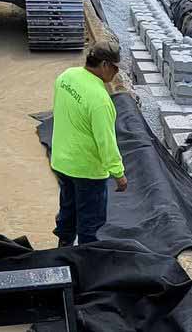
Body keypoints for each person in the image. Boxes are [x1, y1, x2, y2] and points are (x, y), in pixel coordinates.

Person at [51, 39, 127, 247]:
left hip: (62, 162)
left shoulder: (66, 77)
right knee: (90, 223)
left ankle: (63, 250)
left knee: (68, 209)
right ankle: (87, 261)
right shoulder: (100, 100)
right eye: (115, 68)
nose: (116, 73)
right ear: (104, 65)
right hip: (87, 171)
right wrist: (118, 174)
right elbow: (106, 142)